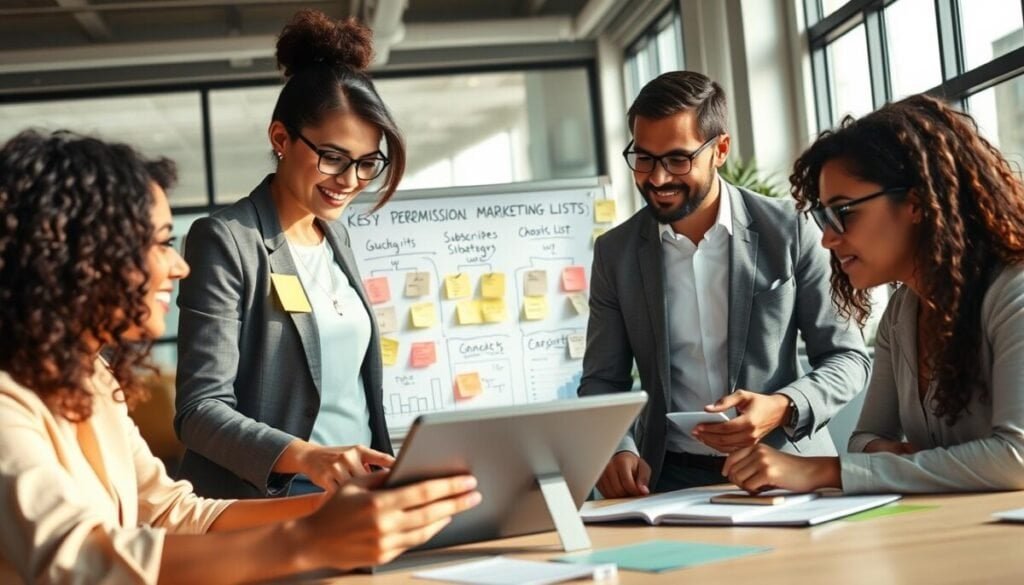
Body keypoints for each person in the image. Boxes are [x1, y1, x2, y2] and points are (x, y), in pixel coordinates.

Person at [0, 130, 480, 583]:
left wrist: (333, 509)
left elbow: (173, 514)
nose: (180, 266)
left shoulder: (90, 377)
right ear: (81, 255)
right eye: (163, 242)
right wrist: (310, 541)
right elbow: (75, 559)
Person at [579, 70, 870, 497]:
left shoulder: (791, 230)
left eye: (678, 159)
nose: (657, 179)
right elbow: (602, 381)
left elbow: (848, 358)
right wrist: (616, 448)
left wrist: (783, 408)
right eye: (644, 158)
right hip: (664, 479)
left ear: (720, 149)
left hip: (783, 468)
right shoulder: (615, 253)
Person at [722, 94, 1024, 494]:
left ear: (917, 203)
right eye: (823, 217)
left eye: (843, 212)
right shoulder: (901, 314)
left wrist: (825, 471)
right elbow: (864, 439)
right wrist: (888, 457)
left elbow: (1016, 459)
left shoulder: (1013, 292)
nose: (827, 239)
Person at [175, 10, 405, 498]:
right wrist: (307, 456)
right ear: (281, 139)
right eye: (333, 158)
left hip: (355, 497)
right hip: (272, 501)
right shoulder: (227, 240)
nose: (350, 182)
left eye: (368, 164)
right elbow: (199, 411)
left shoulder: (336, 238)